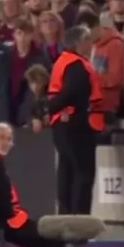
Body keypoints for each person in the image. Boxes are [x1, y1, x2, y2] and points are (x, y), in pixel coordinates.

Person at [0, 122, 103, 247]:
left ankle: (61, 246)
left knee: (28, 229)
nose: (6, 143)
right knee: (29, 231)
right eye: (1, 137)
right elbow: (2, 193)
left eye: (9, 139)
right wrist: (9, 214)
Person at [45, 25, 104, 216]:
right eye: (87, 39)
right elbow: (72, 93)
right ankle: (79, 219)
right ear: (79, 42)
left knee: (67, 171)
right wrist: (49, 108)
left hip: (62, 124)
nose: (91, 43)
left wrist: (48, 109)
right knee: (82, 173)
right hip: (76, 124)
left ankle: (65, 215)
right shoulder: (76, 65)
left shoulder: (63, 61)